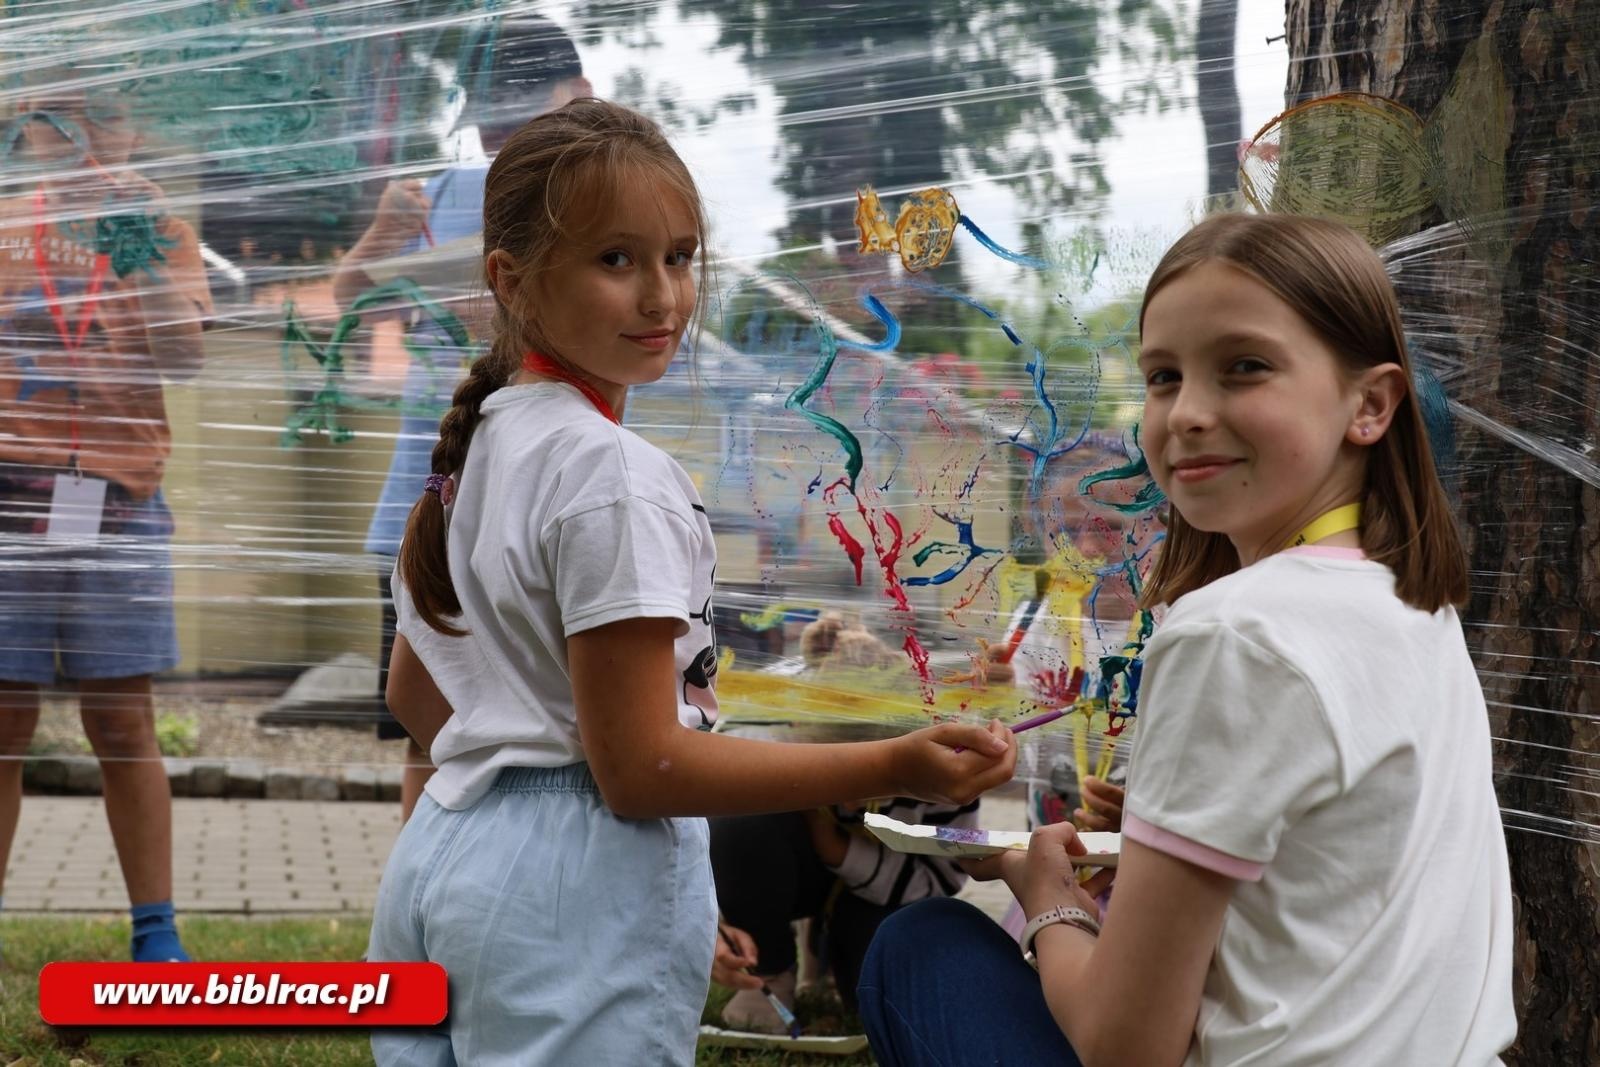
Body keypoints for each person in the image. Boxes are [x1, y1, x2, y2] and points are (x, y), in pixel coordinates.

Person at [362, 98, 1018, 1066]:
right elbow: (641, 770)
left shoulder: (471, 453)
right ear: (512, 278)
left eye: (678, 255)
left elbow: (414, 693)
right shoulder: (613, 473)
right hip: (574, 886)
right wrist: (893, 764)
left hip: (443, 854)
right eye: (615, 259)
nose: (662, 296)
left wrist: (520, 792)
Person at [856, 213, 1515, 1066]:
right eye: (1164, 377)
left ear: (1370, 403)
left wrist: (1049, 898)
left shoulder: (1231, 633)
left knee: (921, 946)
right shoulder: (1415, 603)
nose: (1190, 413)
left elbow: (1127, 1047)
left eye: (1245, 367)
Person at [330, 16, 591, 820]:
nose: (494, 137)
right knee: (432, 729)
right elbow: (353, 298)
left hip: (542, 513)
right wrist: (382, 236)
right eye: (484, 117)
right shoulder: (443, 193)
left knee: (551, 727)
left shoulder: (596, 199)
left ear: (577, 96)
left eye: (515, 114)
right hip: (430, 507)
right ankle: (426, 881)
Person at [0, 86, 211, 961]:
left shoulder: (162, 225)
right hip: (9, 501)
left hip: (120, 504)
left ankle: (156, 931)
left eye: (104, 116)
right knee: (2, 724)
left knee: (122, 722)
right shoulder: (7, 226)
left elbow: (187, 358)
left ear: (134, 127)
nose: (83, 137)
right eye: (62, 119)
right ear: (31, 130)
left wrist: (142, 260)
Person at [710, 615, 979, 1032]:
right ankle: (771, 971)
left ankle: (830, 949)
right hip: (796, 870)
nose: (849, 795)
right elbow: (707, 836)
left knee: (875, 987)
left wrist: (833, 844)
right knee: (738, 825)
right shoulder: (774, 734)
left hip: (885, 895)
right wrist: (717, 922)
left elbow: (939, 879)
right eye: (834, 771)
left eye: (868, 776)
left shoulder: (948, 774)